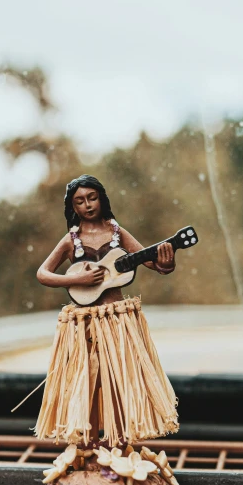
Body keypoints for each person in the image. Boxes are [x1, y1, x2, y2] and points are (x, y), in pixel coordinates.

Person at [34, 174, 179, 447]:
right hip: (83, 325)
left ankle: (119, 447)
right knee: (86, 383)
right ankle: (87, 447)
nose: (87, 205)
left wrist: (166, 262)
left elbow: (152, 264)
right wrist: (77, 280)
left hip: (117, 321)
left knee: (118, 382)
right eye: (80, 201)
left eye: (92, 198)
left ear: (101, 198)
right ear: (72, 207)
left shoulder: (117, 233)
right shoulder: (71, 239)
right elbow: (43, 273)